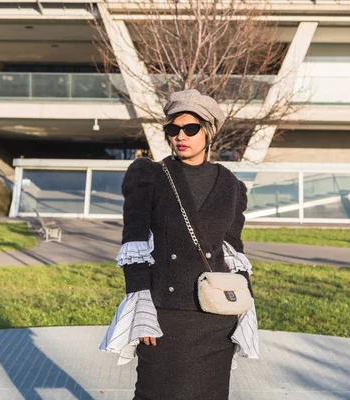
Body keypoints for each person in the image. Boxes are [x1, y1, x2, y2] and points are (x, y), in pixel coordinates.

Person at [100, 89, 259, 400]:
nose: (180, 136)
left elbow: (232, 250)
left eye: (191, 128)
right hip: (163, 314)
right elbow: (134, 244)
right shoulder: (149, 176)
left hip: (216, 316)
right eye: (172, 129)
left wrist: (243, 302)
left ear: (209, 133)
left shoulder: (231, 186)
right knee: (153, 394)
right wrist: (141, 307)